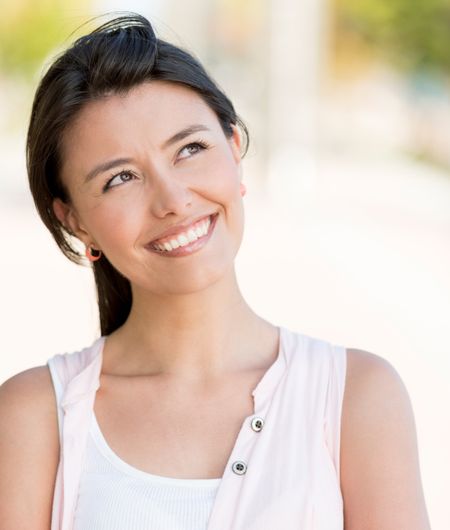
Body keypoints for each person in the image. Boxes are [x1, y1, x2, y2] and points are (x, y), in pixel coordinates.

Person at [0, 13, 430, 530]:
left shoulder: (356, 396)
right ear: (74, 220)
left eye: (190, 149)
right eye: (120, 178)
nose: (174, 201)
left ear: (233, 150)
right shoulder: (33, 416)